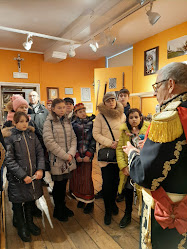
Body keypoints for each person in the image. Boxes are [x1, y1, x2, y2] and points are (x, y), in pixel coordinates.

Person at [123, 62, 187, 249]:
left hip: (171, 205)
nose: (154, 93)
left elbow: (146, 175)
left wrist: (134, 154)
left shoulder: (169, 118)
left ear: (170, 85)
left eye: (156, 86)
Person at [3, 112, 45, 242]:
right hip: (18, 178)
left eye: (26, 121)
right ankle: (21, 226)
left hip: (32, 176)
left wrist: (40, 169)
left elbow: (39, 153)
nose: (24, 124)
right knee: (17, 202)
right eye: (20, 121)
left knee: (29, 200)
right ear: (14, 123)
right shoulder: (9, 138)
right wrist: (22, 175)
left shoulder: (32, 135)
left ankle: (30, 223)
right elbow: (9, 160)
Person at [93, 92, 126, 225]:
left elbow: (125, 131)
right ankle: (107, 210)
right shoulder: (100, 116)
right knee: (107, 183)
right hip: (106, 153)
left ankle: (113, 204)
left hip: (120, 153)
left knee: (117, 181)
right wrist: (110, 143)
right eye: (108, 100)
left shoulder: (122, 114)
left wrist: (121, 142)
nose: (111, 102)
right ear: (104, 102)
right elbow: (96, 134)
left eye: (113, 99)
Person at [43, 98, 77, 222]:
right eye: (59, 108)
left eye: (63, 107)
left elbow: (73, 138)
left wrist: (71, 153)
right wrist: (65, 155)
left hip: (68, 159)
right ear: (52, 109)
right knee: (58, 185)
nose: (62, 110)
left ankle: (63, 206)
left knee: (64, 184)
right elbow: (49, 142)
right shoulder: (49, 123)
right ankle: (58, 209)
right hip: (58, 159)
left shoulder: (67, 121)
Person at [116, 108, 149, 228]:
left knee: (144, 193)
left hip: (143, 167)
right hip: (129, 168)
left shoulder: (148, 130)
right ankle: (127, 214)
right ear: (128, 119)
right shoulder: (124, 132)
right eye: (131, 117)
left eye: (136, 117)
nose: (134, 120)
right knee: (128, 191)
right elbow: (120, 149)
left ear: (141, 118)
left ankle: (143, 216)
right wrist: (123, 167)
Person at [70, 103, 96, 214]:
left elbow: (93, 140)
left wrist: (89, 154)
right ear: (76, 113)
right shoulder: (72, 125)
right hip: (77, 157)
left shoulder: (91, 124)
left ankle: (90, 202)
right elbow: (71, 141)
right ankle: (80, 199)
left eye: (84, 110)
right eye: (80, 111)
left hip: (87, 157)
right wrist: (76, 155)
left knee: (86, 179)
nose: (83, 113)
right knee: (77, 179)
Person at [115, 88, 131, 202]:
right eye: (120, 95)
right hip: (114, 140)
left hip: (126, 140)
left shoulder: (131, 111)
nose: (122, 97)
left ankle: (124, 191)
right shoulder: (114, 110)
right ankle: (116, 189)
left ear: (128, 97)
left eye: (124, 95)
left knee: (125, 167)